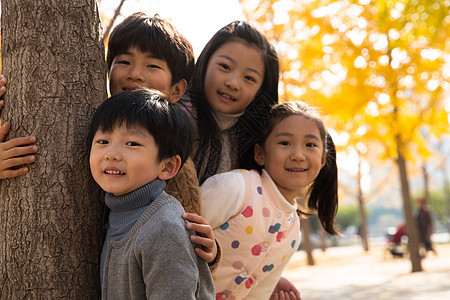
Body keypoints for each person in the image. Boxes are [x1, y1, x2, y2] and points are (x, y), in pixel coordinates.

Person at [0, 12, 218, 265]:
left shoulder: (172, 159)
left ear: (178, 89)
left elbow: (188, 243)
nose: (135, 73)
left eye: (152, 66)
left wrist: (210, 254)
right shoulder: (86, 116)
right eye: (124, 61)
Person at [200, 101, 339, 299]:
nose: (298, 155)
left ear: (323, 160)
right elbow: (175, 235)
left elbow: (257, 295)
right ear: (260, 153)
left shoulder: (292, 233)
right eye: (285, 143)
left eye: (310, 145)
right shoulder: (236, 188)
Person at [88, 88, 215, 298]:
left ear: (167, 166)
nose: (111, 154)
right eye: (103, 141)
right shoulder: (117, 212)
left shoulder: (163, 228)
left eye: (132, 143)